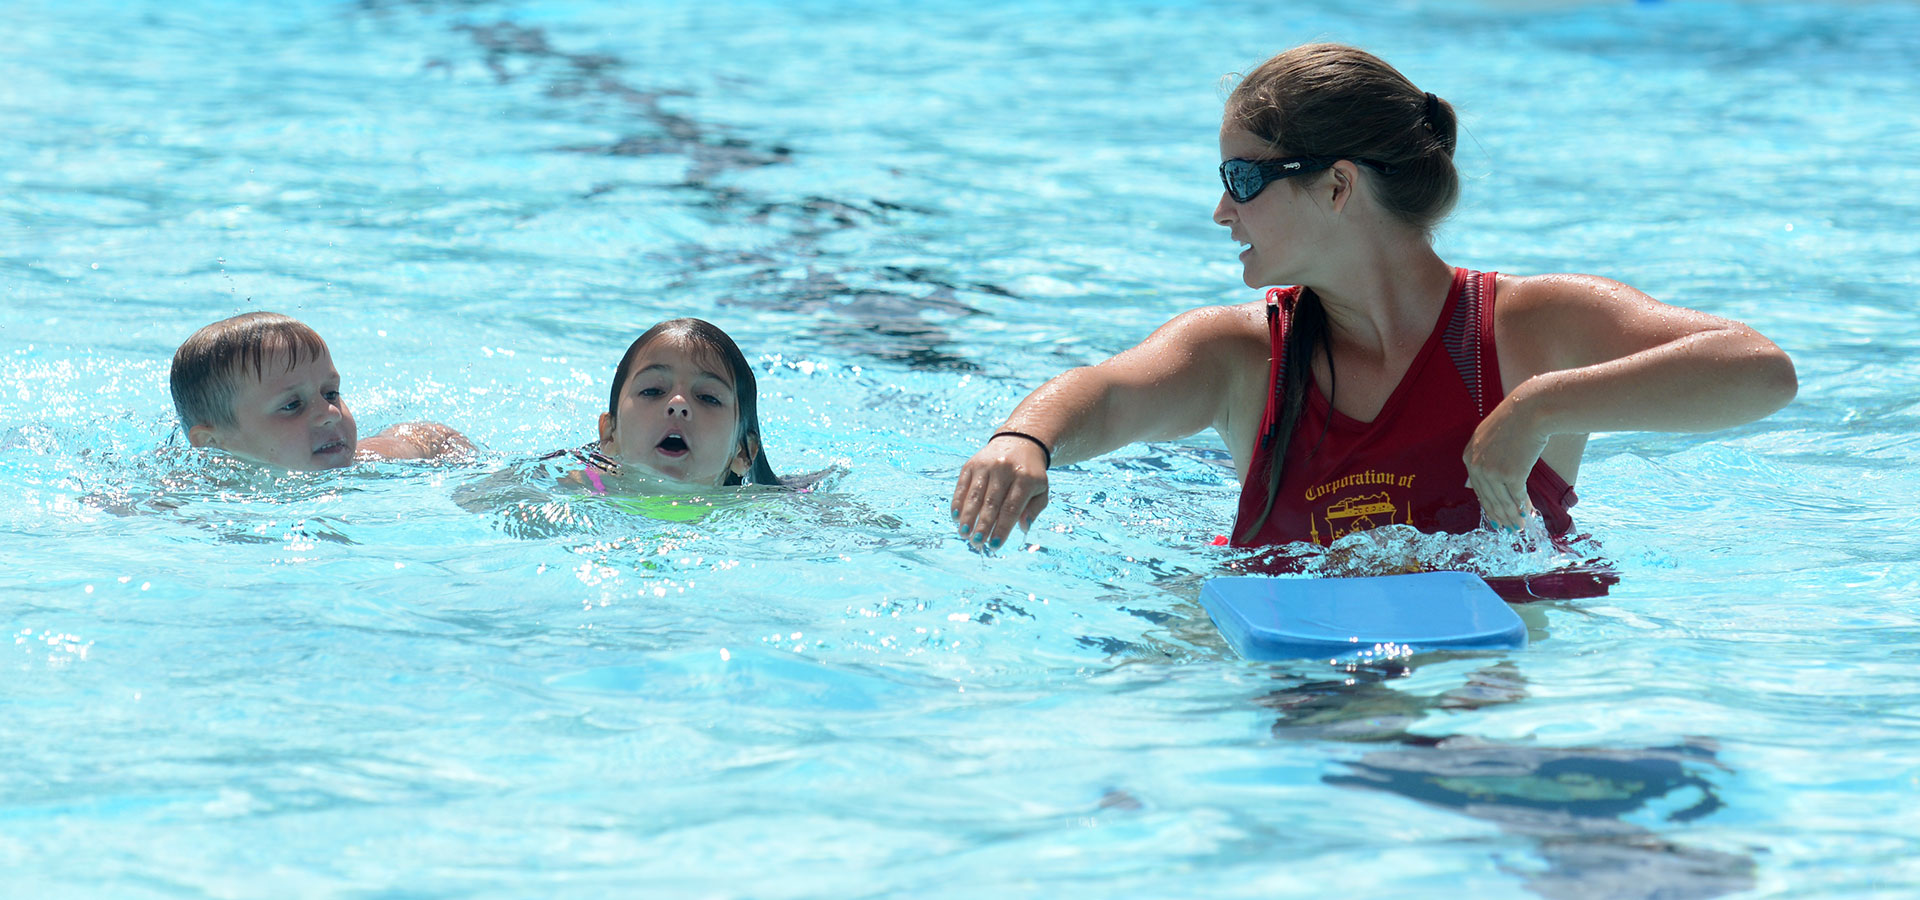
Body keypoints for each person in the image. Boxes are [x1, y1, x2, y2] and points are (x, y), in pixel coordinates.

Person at [952, 43, 1795, 553]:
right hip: (1285, 695)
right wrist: (1025, 440)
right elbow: (1107, 392)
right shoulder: (1243, 356)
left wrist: (1540, 405)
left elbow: (1760, 372)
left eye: (1240, 179)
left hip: (1489, 699)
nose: (1221, 211)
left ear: (1336, 186)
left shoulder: (1530, 331)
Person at [171, 311, 472, 470]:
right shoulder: (195, 497)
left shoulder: (368, 461)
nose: (329, 414)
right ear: (212, 442)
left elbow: (433, 436)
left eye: (331, 393)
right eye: (292, 405)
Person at [561, 317, 783, 492]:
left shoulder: (778, 514)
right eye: (652, 391)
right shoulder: (572, 490)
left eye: (707, 397)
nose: (678, 404)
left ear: (743, 452)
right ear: (609, 435)